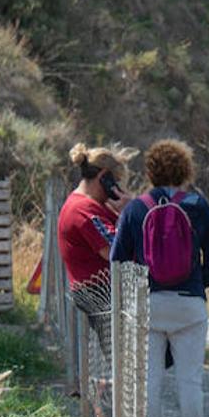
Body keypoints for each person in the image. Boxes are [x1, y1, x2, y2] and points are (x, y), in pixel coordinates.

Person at [111, 140, 209, 417]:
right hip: (190, 306)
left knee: (149, 380)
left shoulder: (136, 208)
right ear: (185, 169)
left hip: (149, 303)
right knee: (191, 382)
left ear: (150, 170)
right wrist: (194, 284)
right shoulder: (197, 206)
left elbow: (118, 261)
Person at [56, 143, 133, 359]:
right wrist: (128, 215)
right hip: (100, 292)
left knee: (123, 357)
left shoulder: (91, 205)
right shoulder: (84, 210)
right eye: (115, 182)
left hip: (103, 290)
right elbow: (113, 251)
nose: (117, 187)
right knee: (122, 358)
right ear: (105, 177)